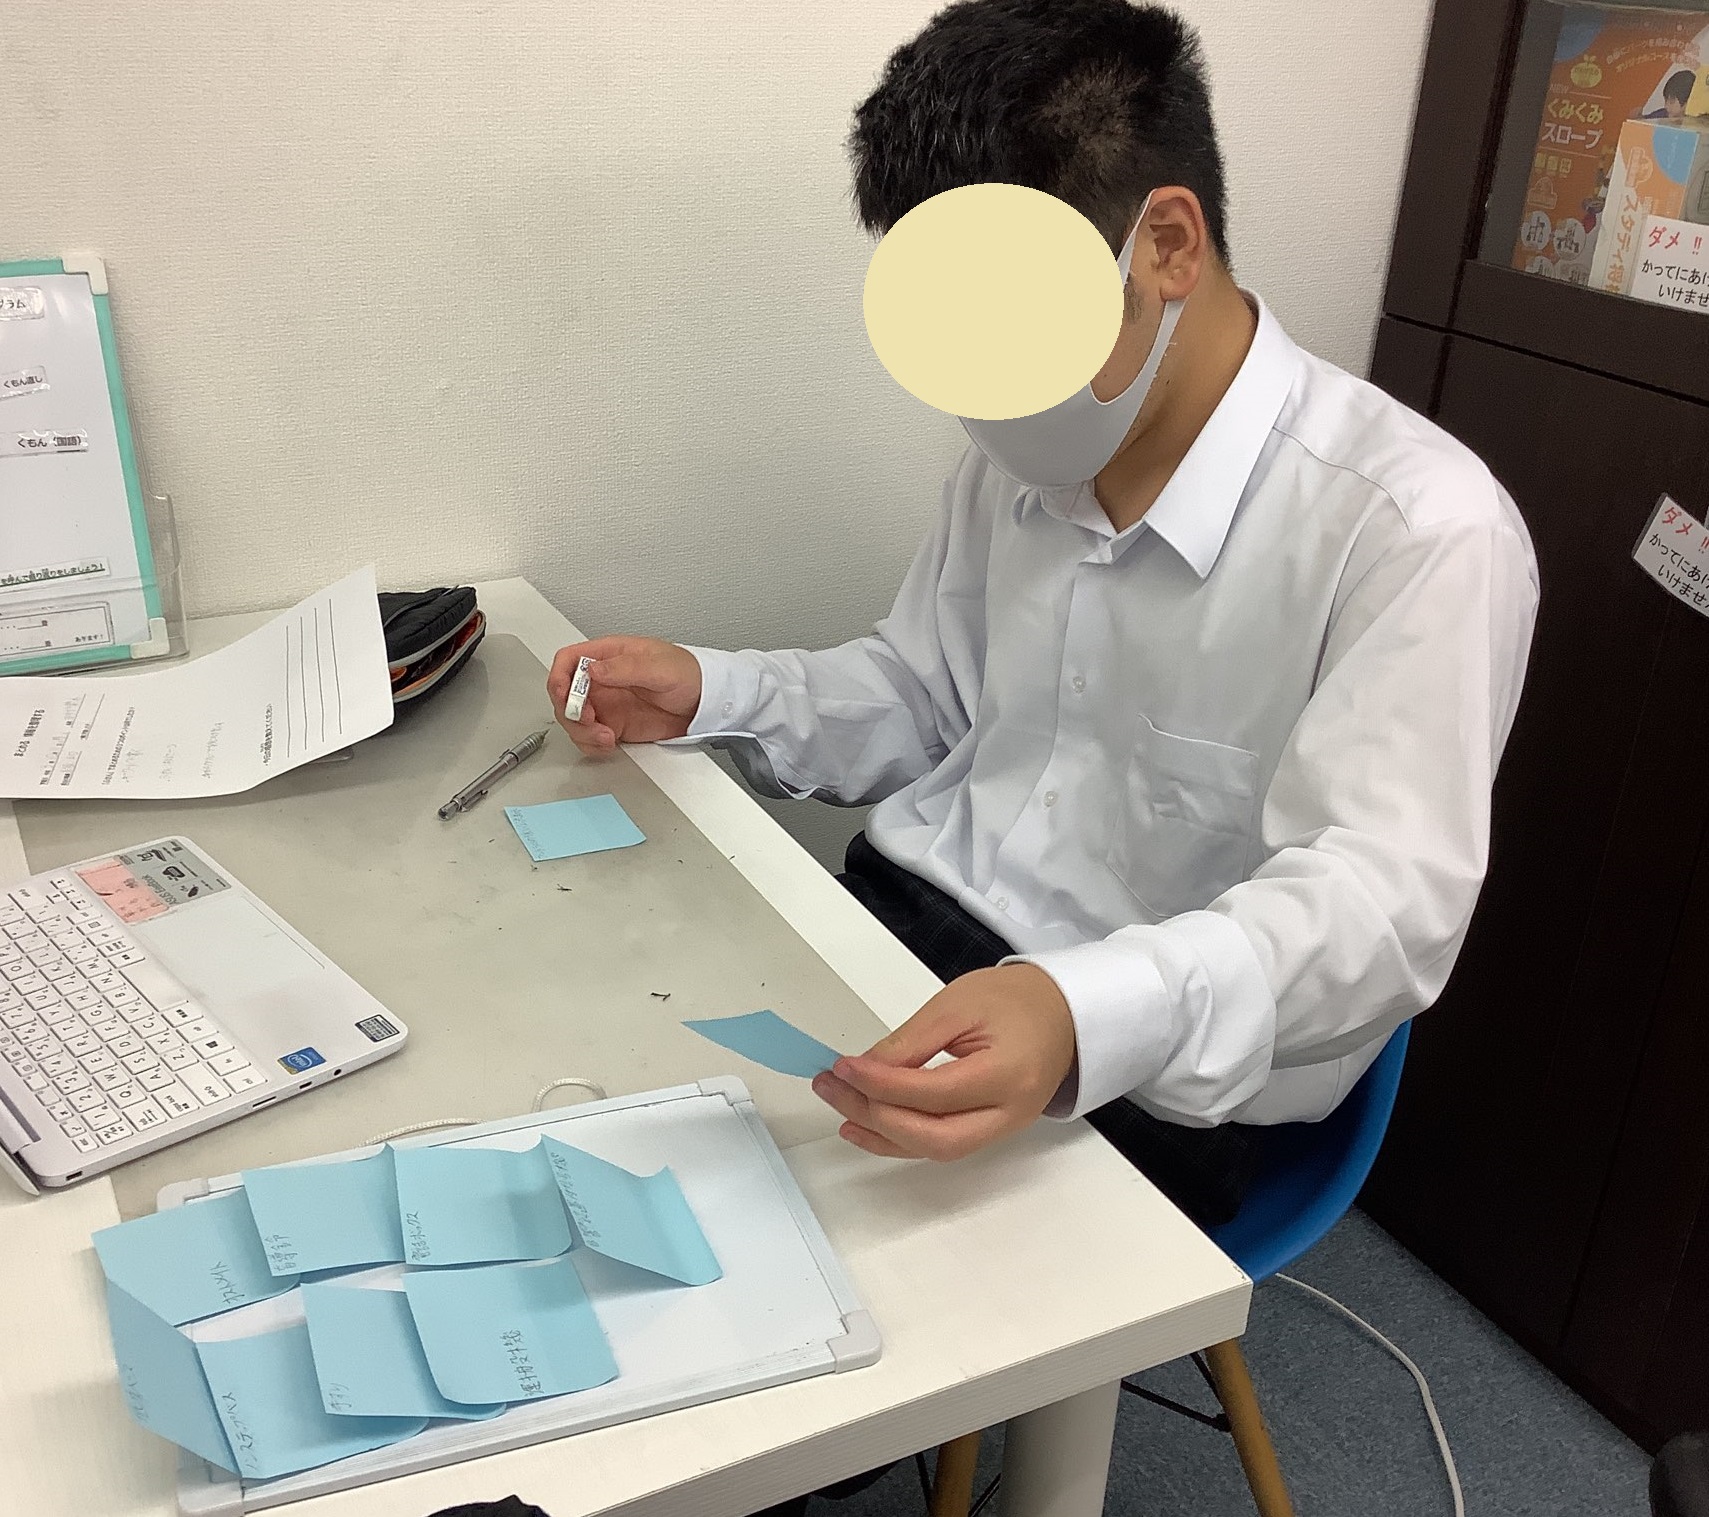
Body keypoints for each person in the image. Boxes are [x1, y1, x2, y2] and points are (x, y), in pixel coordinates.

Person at [549, 0, 1538, 1240]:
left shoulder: (1413, 528)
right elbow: (924, 694)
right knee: (592, 1101)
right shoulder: (1027, 456)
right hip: (908, 918)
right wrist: (718, 692)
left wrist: (1080, 1014)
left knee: (763, 1276)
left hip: (1152, 1062)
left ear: (1164, 245)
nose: (983, 385)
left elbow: (1378, 910)